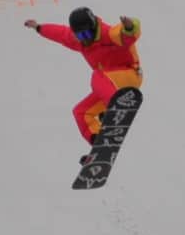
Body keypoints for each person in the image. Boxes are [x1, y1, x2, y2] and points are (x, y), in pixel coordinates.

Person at [26, 8, 143, 160]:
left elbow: (128, 35)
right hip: (110, 87)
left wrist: (129, 26)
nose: (84, 39)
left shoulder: (108, 34)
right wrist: (39, 27)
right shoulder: (80, 42)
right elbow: (60, 33)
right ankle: (100, 145)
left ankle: (115, 109)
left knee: (97, 76)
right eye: (79, 35)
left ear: (94, 28)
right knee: (81, 112)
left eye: (86, 34)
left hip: (130, 75)